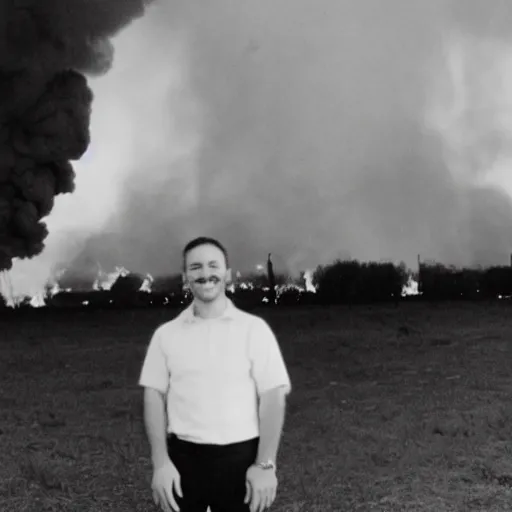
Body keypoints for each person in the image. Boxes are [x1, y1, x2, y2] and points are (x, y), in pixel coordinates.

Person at [138, 236, 292, 512]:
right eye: (195, 267)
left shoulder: (254, 330)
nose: (205, 274)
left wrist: (265, 465)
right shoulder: (166, 335)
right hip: (183, 460)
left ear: (227, 275)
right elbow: (153, 397)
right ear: (186, 277)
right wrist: (161, 464)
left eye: (213, 265)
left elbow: (273, 397)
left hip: (241, 460)